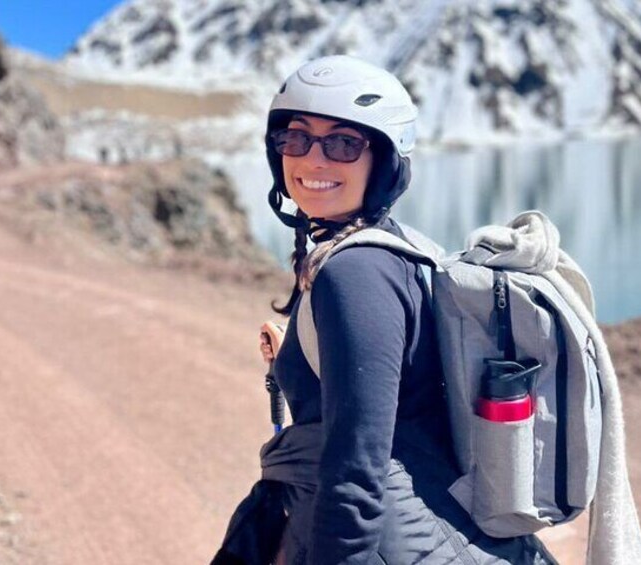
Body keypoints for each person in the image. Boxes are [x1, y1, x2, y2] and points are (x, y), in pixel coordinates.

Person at [223, 55, 557, 565]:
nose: (313, 160)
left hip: (379, 542)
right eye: (296, 137)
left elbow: (357, 471)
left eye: (342, 143)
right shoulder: (391, 246)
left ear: (383, 158)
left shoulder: (354, 272)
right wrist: (301, 348)